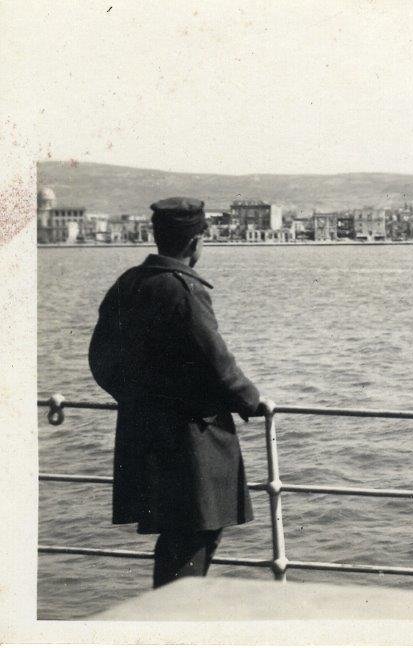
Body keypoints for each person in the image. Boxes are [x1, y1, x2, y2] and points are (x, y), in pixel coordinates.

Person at [88, 197, 264, 588]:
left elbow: (101, 360)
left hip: (147, 434)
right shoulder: (184, 289)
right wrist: (252, 401)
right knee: (196, 534)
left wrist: (139, 398)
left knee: (175, 536)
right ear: (195, 242)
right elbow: (217, 360)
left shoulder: (129, 283)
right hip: (191, 440)